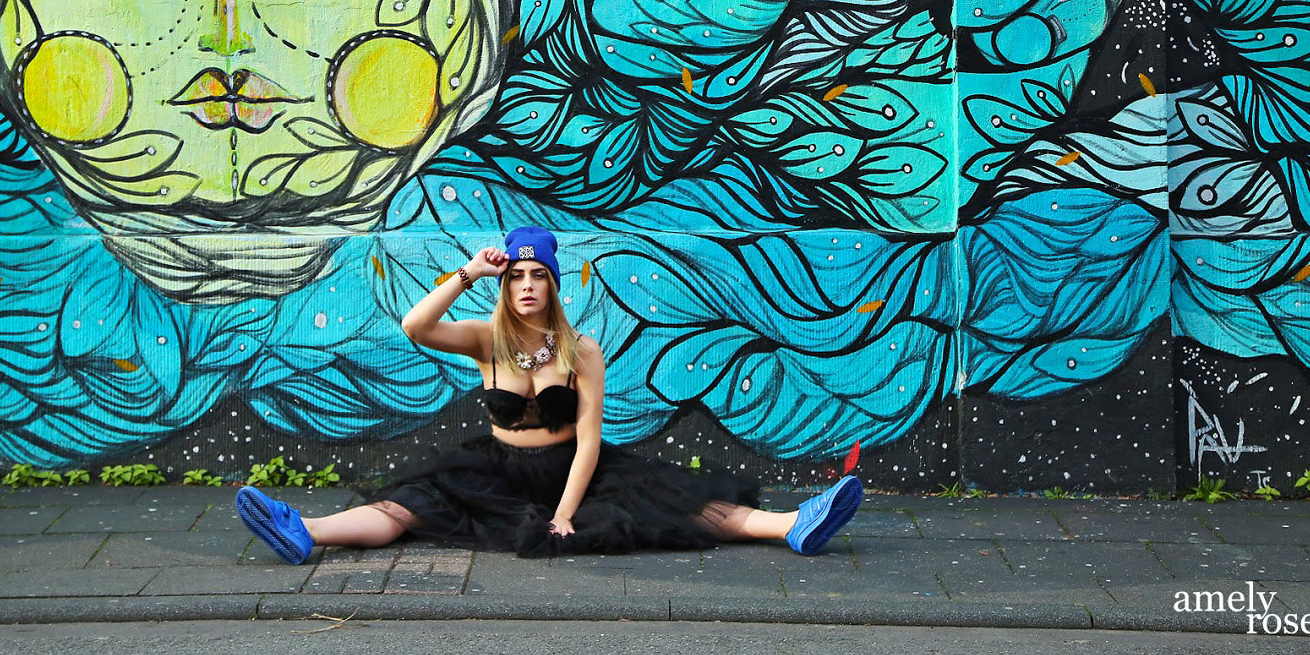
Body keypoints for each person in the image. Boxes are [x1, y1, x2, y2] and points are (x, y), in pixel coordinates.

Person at [236, 226, 863, 561]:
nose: (528, 285)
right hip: (499, 467)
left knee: (671, 505)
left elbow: (590, 439)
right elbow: (416, 327)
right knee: (410, 506)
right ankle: (304, 531)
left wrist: (564, 515)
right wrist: (470, 272)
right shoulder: (485, 339)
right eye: (518, 276)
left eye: (539, 276)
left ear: (554, 286)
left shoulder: (581, 350)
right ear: (506, 287)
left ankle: (793, 525)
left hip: (574, 469)